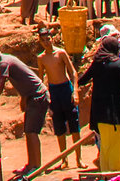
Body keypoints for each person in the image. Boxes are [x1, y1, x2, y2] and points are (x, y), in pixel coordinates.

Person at [0, 39, 50, 172]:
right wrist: (23, 99)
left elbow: (0, 87)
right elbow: (23, 79)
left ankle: (36, 167)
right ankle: (31, 164)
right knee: (28, 131)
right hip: (32, 96)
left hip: (38, 95)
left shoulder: (5, 62)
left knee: (31, 131)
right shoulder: (6, 60)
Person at [80, 31, 120, 173]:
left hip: (99, 116)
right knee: (117, 148)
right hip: (116, 115)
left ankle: (107, 175)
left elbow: (82, 80)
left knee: (106, 147)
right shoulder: (119, 64)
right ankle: (116, 175)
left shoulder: (97, 63)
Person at [34, 25, 79, 157]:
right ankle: (63, 158)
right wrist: (46, 99)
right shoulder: (41, 58)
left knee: (74, 125)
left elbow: (73, 73)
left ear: (52, 38)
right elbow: (41, 80)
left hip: (66, 88)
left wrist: (75, 91)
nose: (47, 42)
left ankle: (78, 158)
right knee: (59, 127)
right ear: (40, 42)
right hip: (54, 91)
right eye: (44, 40)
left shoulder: (61, 53)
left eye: (48, 39)